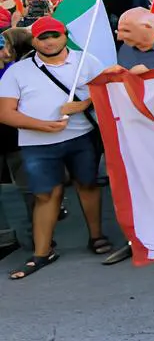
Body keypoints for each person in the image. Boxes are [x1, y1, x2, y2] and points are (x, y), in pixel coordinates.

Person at [0, 18, 111, 278]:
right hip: (37, 144)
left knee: (88, 185)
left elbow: (108, 91)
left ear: (65, 36)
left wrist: (84, 105)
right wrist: (39, 125)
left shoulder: (87, 61)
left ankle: (96, 237)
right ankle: (41, 252)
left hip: (82, 138)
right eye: (43, 37)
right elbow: (5, 112)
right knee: (45, 195)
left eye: (54, 35)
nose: (49, 41)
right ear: (34, 41)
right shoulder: (18, 71)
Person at [0, 27, 34, 257]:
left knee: (29, 188)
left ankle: (38, 235)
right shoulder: (17, 70)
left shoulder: (16, 72)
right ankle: (8, 238)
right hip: (16, 136)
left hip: (17, 137)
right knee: (29, 188)